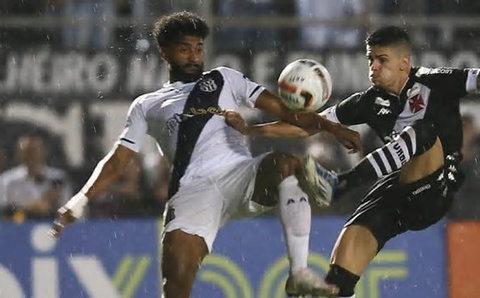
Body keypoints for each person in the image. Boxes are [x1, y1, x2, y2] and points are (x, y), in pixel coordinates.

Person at [224, 26, 480, 298]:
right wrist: (251, 129)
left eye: (382, 60)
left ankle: (340, 184)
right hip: (395, 189)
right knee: (336, 279)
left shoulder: (436, 82)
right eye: (370, 60)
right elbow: (308, 124)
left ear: (404, 63)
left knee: (423, 130)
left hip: (435, 187)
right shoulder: (369, 102)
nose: (373, 68)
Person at [48, 11, 362, 298]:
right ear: (164, 52)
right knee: (175, 288)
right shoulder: (147, 104)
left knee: (288, 165)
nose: (194, 55)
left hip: (240, 175)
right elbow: (118, 160)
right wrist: (80, 200)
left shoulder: (225, 78)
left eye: (198, 48)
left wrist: (330, 127)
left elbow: (287, 112)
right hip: (192, 193)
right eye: (184, 48)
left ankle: (299, 273)